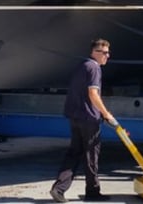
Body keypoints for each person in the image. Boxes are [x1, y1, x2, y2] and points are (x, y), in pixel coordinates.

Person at [49, 38, 118, 203]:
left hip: (75, 116)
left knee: (74, 153)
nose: (108, 56)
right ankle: (93, 192)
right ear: (94, 52)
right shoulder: (94, 68)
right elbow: (93, 94)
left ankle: (58, 189)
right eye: (105, 53)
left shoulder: (82, 66)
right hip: (89, 119)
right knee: (91, 155)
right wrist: (107, 114)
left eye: (108, 53)